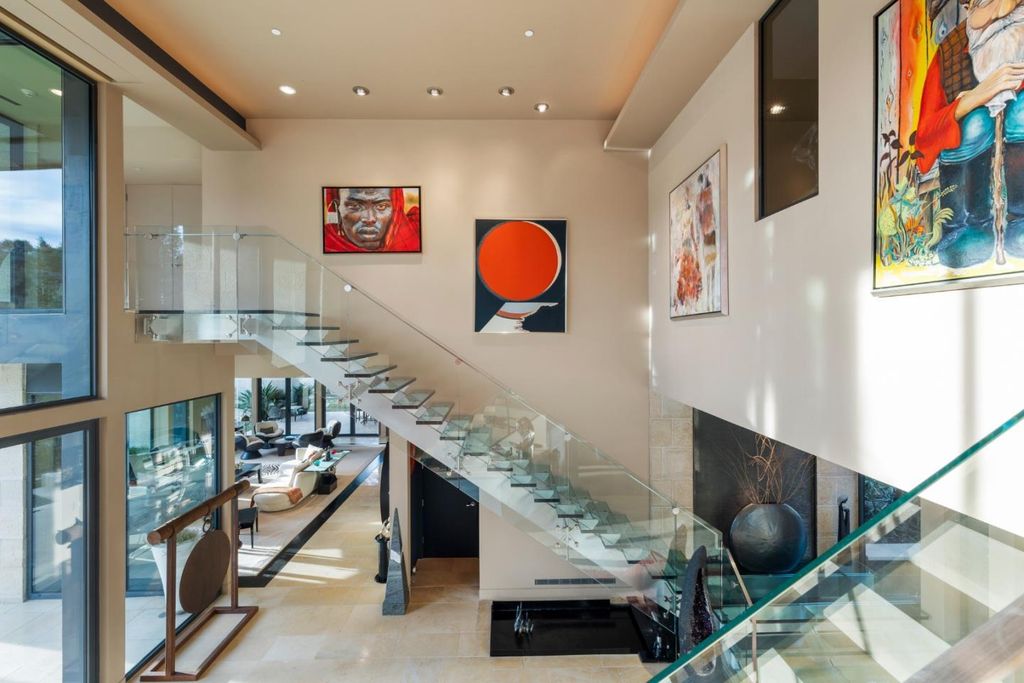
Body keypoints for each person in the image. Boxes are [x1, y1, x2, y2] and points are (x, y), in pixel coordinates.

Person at [915, 0, 1024, 266]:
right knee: (973, 125)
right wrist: (974, 98)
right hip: (971, 151)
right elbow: (925, 136)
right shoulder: (950, 52)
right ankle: (966, 227)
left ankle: (1019, 220)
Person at [323, 187, 420, 252]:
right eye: (355, 206)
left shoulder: (416, 238)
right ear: (337, 209)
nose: (369, 219)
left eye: (381, 206)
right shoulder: (325, 244)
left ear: (395, 209)